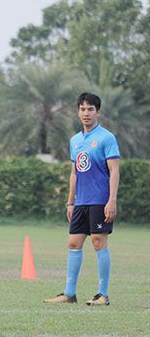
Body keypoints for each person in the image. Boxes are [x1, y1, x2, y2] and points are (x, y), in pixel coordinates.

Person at [45, 92, 119, 306]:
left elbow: (114, 171)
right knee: (73, 243)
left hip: (100, 200)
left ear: (98, 112)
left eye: (90, 109)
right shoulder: (75, 140)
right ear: (78, 112)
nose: (86, 113)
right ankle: (69, 293)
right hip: (81, 202)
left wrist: (112, 200)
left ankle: (102, 294)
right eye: (83, 109)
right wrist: (70, 202)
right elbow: (74, 173)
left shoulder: (106, 138)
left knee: (98, 242)